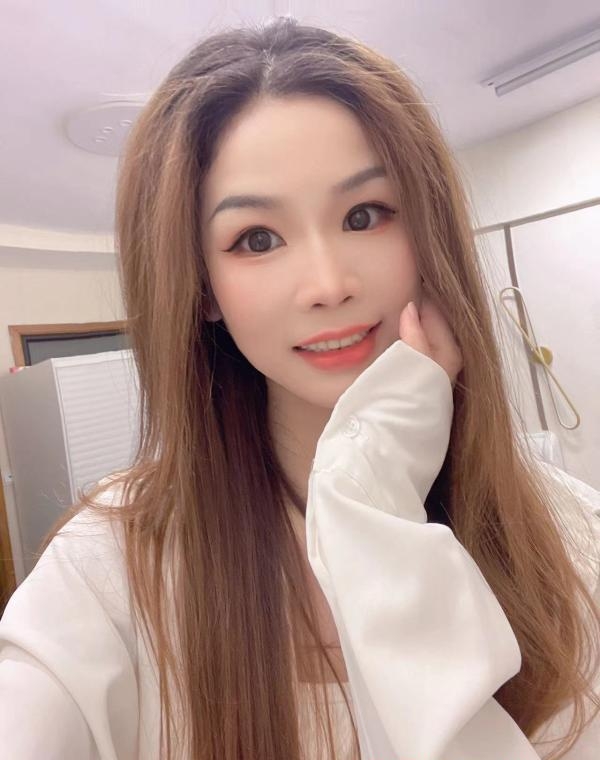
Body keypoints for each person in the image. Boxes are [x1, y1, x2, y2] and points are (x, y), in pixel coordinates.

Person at [1, 15, 600, 760]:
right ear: (202, 287)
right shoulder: (109, 569)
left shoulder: (570, 533)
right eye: (256, 239)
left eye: (365, 215)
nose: (327, 284)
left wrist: (373, 491)